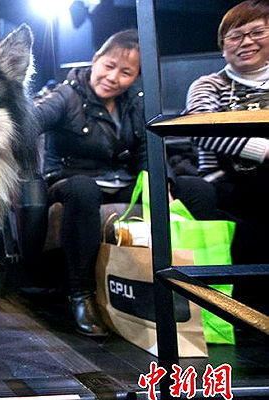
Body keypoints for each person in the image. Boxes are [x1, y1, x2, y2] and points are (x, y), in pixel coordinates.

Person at [36, 29, 218, 337]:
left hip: (124, 182)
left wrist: (165, 185)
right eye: (108, 65)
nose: (113, 77)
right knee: (83, 188)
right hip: (70, 181)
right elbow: (34, 119)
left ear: (135, 77)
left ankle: (194, 286)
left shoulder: (136, 101)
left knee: (198, 190)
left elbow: (148, 150)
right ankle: (81, 295)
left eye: (126, 72)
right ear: (95, 60)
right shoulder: (66, 95)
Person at [185, 0, 269, 264]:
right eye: (234, 36)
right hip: (224, 183)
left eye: (257, 32)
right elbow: (199, 127)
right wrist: (264, 150)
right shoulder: (209, 84)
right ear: (223, 47)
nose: (246, 42)